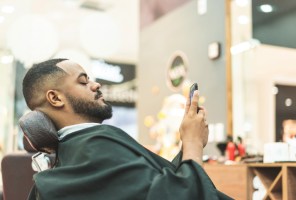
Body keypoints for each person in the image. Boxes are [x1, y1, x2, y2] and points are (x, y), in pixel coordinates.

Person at [22, 58, 232, 200]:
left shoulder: (77, 150)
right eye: (83, 81)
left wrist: (188, 143)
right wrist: (193, 143)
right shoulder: (94, 145)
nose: (96, 85)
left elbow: (154, 181)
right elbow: (180, 196)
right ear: (55, 98)